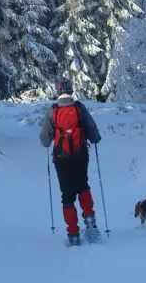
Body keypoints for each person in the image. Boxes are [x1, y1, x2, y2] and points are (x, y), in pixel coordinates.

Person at [39, 78, 102, 245]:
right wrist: (94, 138)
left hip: (61, 159)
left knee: (67, 196)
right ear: (71, 90)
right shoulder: (79, 108)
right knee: (83, 187)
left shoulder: (53, 111)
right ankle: (90, 223)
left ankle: (73, 234)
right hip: (81, 155)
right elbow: (93, 132)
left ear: (58, 91)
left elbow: (44, 139)